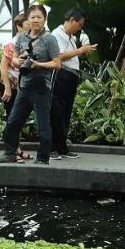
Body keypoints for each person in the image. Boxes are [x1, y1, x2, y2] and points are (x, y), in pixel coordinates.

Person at [0, 4, 61, 165]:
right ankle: (9, 152)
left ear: (45, 19)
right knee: (13, 121)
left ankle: (43, 158)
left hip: (41, 88)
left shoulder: (50, 39)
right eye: (32, 17)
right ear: (28, 20)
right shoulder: (22, 38)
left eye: (39, 17)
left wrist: (39, 65)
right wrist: (18, 61)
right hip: (24, 87)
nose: (36, 20)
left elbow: (57, 64)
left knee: (42, 124)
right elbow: (15, 59)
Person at [49, 9, 97, 159]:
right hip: (61, 74)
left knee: (66, 112)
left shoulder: (70, 37)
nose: (80, 28)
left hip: (71, 76)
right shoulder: (57, 34)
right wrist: (80, 51)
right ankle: (52, 148)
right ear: (71, 20)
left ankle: (62, 147)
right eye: (79, 24)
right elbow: (59, 56)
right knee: (56, 111)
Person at [0, 13, 31, 162]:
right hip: (12, 88)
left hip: (23, 88)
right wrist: (6, 87)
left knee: (19, 119)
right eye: (27, 25)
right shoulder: (11, 45)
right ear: (19, 26)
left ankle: (17, 149)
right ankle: (11, 151)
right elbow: (3, 67)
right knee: (12, 119)